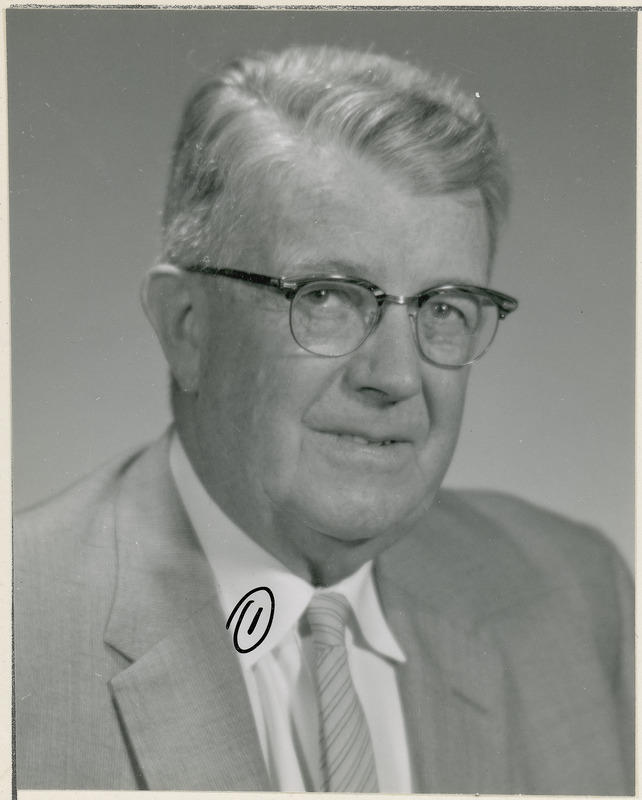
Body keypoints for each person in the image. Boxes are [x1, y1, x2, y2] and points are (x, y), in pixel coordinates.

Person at [14, 46, 633, 794]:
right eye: (328, 297)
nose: (397, 378)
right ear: (187, 327)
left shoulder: (572, 592)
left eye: (442, 308)